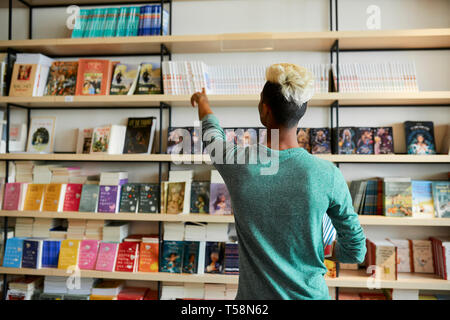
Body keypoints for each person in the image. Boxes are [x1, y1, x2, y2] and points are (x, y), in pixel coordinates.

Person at [190, 63, 366, 300]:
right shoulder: (327, 174)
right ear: (303, 110)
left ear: (265, 109)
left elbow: (212, 136)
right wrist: (323, 249)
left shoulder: (238, 163)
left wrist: (203, 102)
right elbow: (356, 251)